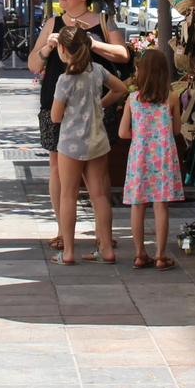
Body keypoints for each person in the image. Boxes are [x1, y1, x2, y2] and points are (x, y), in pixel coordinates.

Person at [27, 0, 130, 250]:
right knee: (57, 170)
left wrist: (91, 44)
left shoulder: (103, 21)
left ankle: (102, 236)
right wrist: (47, 49)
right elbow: (33, 65)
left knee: (99, 174)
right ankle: (63, 232)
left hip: (95, 107)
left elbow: (123, 55)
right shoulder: (52, 23)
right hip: (55, 104)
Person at [49, 26, 126, 264]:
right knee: (100, 196)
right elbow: (121, 89)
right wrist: (99, 104)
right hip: (97, 141)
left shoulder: (65, 80)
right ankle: (106, 248)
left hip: (71, 144)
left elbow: (55, 117)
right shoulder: (98, 71)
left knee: (68, 196)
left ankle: (69, 252)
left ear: (62, 49)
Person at [119, 49, 184, 270]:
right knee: (160, 206)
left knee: (138, 206)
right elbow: (176, 131)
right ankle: (160, 255)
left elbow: (122, 133)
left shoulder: (132, 99)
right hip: (163, 156)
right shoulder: (171, 98)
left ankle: (139, 254)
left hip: (140, 155)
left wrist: (141, 136)